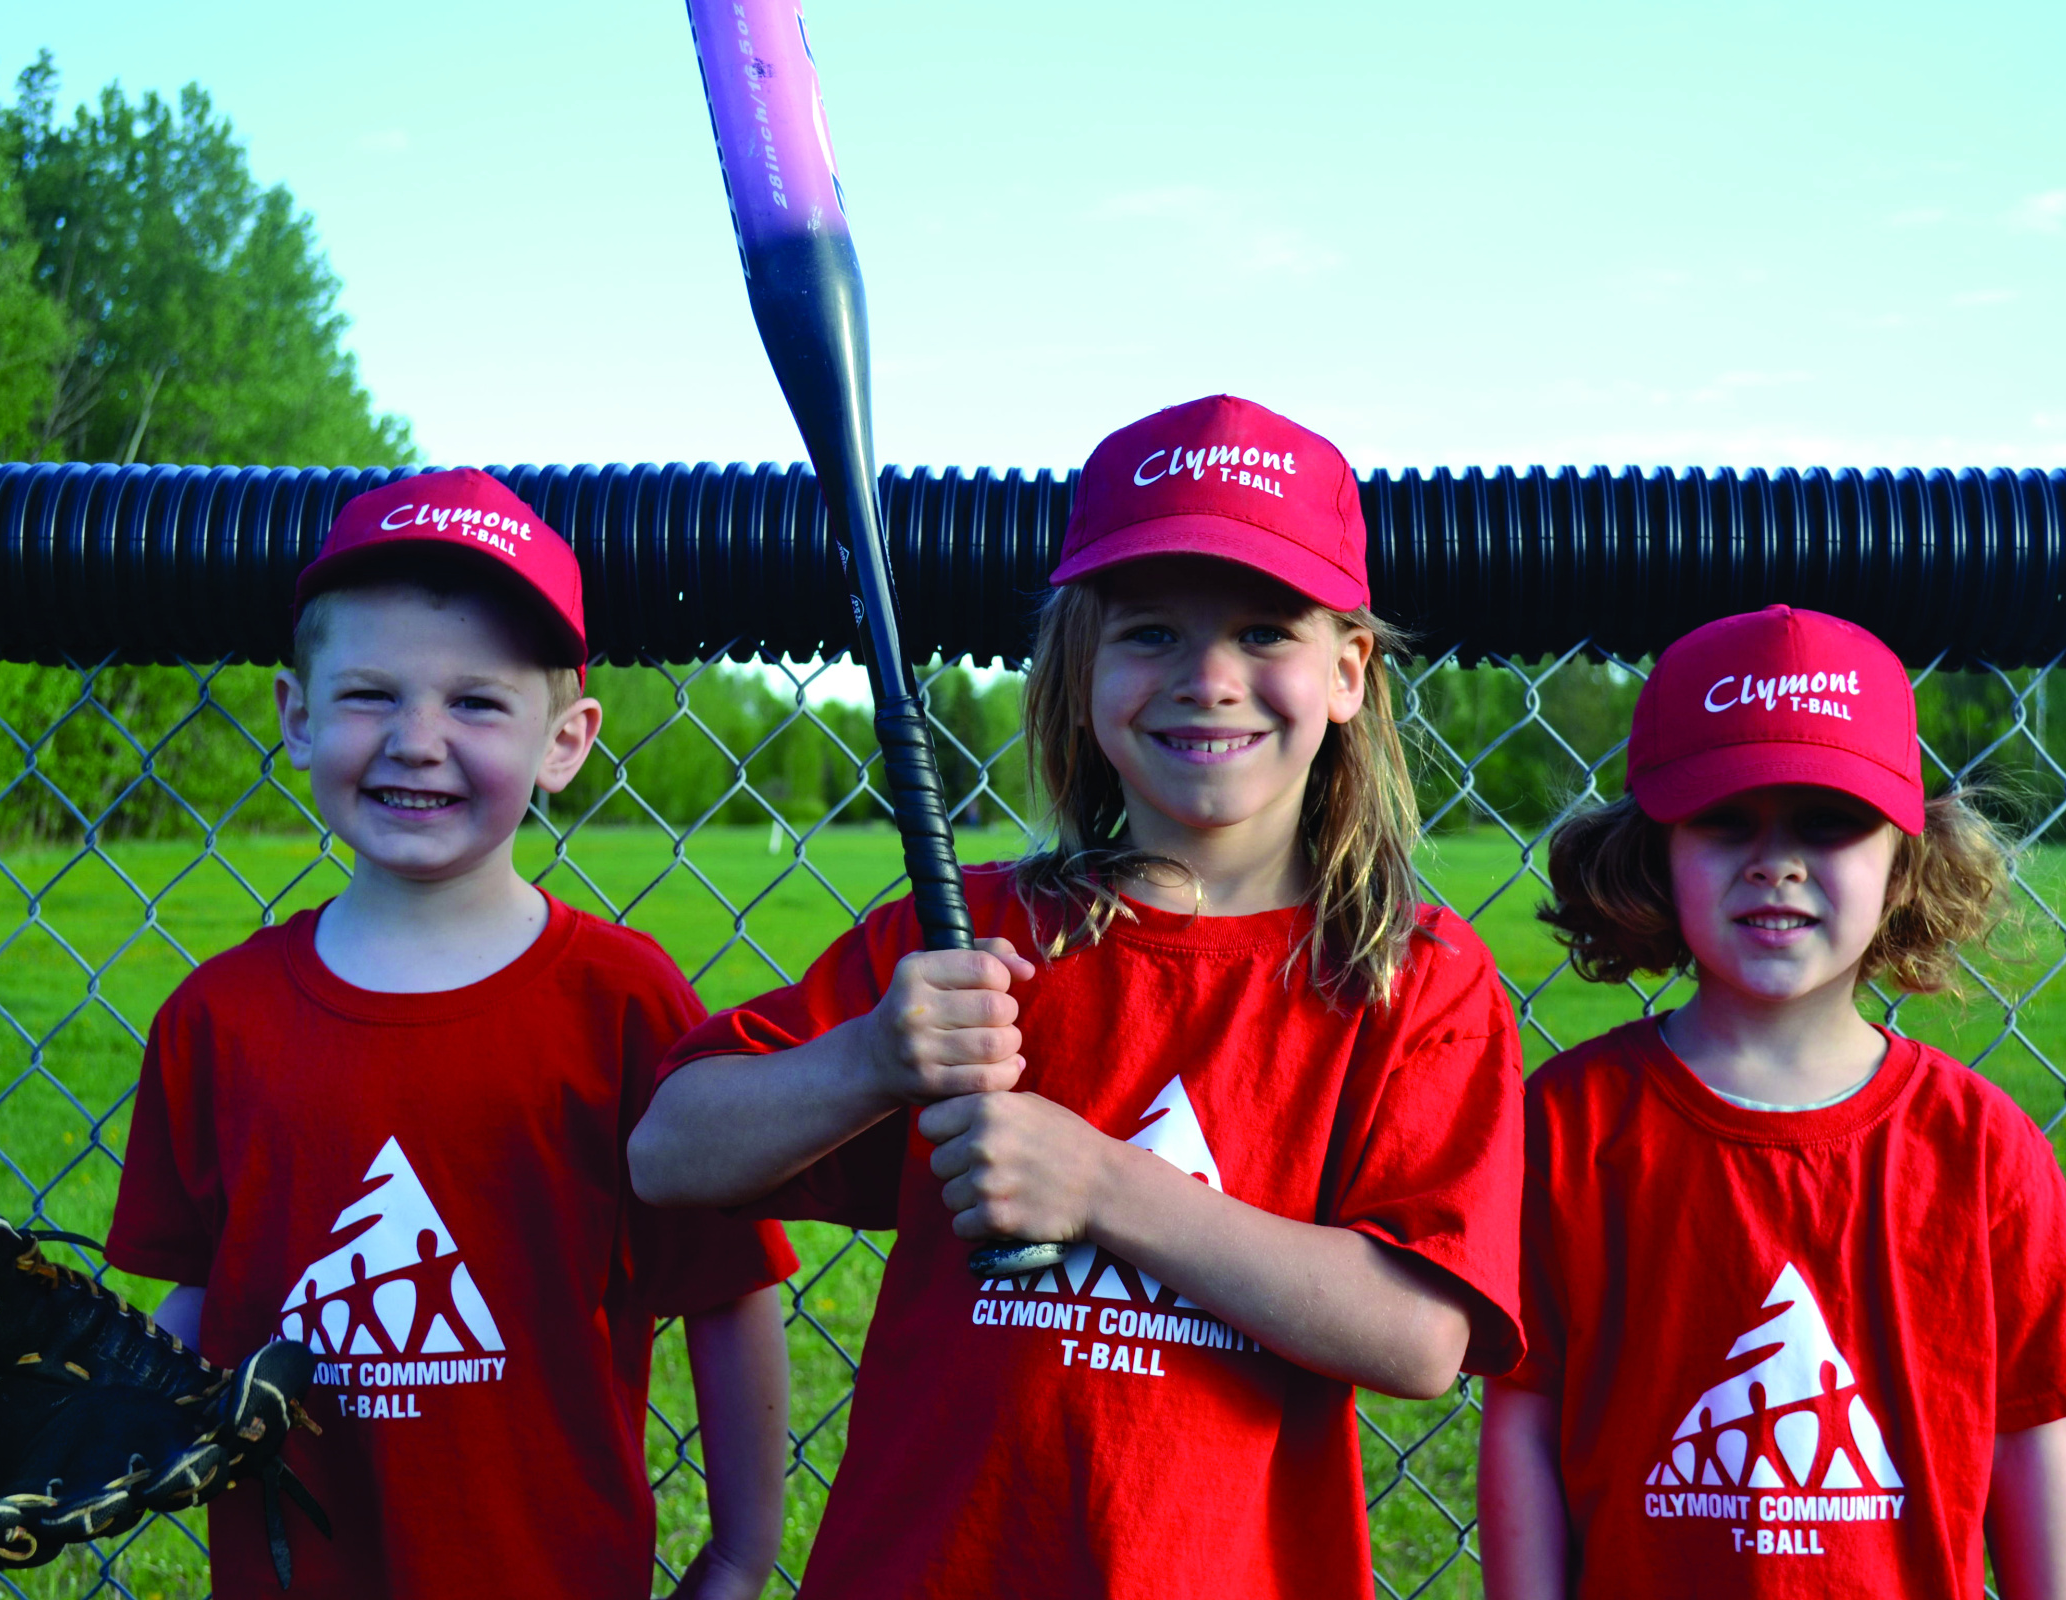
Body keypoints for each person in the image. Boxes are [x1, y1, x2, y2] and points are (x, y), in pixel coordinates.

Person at [628, 394, 1527, 1599]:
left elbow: (1421, 1336)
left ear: (1349, 671)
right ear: (1080, 664)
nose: (1209, 679)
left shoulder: (1407, 972)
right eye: (1150, 632)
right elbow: (670, 1153)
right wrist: (870, 1061)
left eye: (1265, 632)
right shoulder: (972, 939)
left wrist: (1103, 1183)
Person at [107, 469, 797, 1600]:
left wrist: (737, 1555)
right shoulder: (215, 1018)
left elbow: (728, 1290)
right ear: (297, 713)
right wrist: (99, 1403)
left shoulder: (623, 1002)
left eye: (477, 703)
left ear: (566, 740)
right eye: (371, 694)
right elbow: (189, 1301)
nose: (417, 742)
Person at [1479, 604, 2066, 1598]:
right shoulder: (1571, 1124)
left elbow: (2027, 1439)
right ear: (1653, 849)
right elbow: (1522, 1419)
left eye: (1828, 822)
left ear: (1905, 858)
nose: (1774, 861)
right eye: (1724, 818)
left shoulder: (1979, 1146)